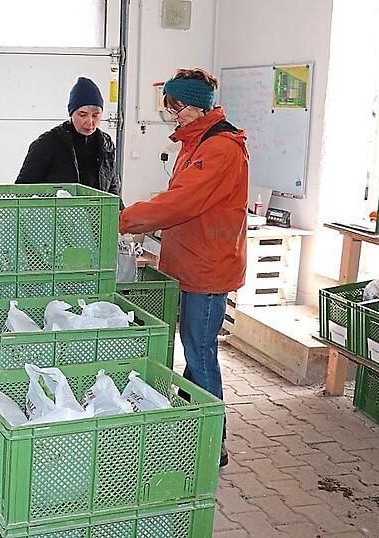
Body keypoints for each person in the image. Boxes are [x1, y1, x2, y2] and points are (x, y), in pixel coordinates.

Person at [119, 68, 248, 467]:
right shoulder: (195, 143)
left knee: (201, 352)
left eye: (176, 108)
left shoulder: (220, 148)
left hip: (207, 269)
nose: (172, 116)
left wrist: (122, 219)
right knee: (193, 350)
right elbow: (177, 196)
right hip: (191, 261)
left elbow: (181, 204)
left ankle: (214, 442)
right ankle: (195, 426)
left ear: (196, 106)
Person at [15, 76, 121, 199]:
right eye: (83, 114)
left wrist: (120, 213)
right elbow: (22, 190)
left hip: (96, 215)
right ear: (71, 113)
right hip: (57, 215)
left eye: (96, 115)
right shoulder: (48, 143)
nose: (90, 122)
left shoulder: (105, 144)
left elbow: (113, 188)